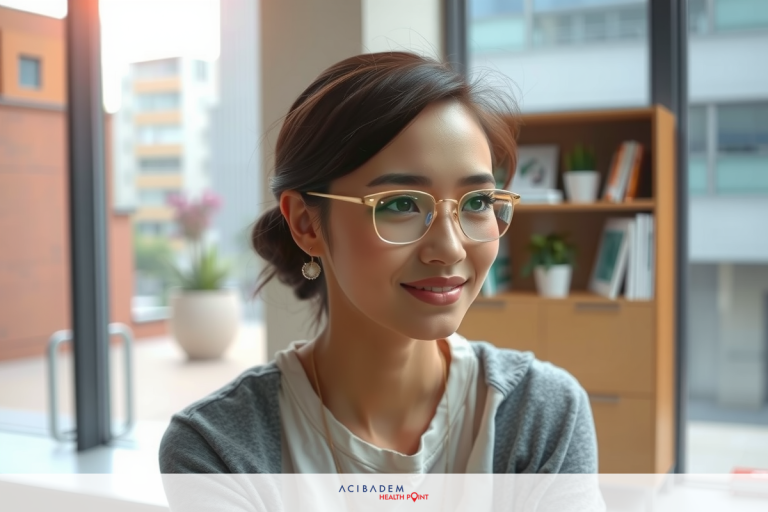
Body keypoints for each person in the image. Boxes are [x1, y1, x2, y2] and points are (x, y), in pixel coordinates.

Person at [159, 51, 598, 475]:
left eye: (478, 201)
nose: (450, 248)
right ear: (306, 223)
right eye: (402, 203)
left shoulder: (540, 413)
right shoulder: (217, 447)